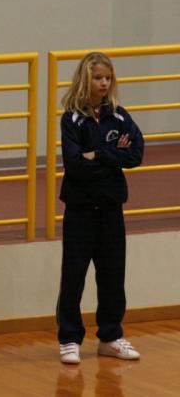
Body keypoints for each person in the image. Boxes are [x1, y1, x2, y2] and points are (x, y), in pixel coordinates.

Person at [56, 52, 144, 364]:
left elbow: (135, 155)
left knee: (112, 275)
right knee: (74, 276)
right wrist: (111, 155)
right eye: (97, 77)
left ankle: (110, 336)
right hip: (80, 211)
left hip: (111, 209)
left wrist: (98, 154)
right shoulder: (71, 119)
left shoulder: (119, 117)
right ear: (85, 80)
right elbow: (75, 165)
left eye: (108, 77)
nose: (104, 83)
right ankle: (69, 338)